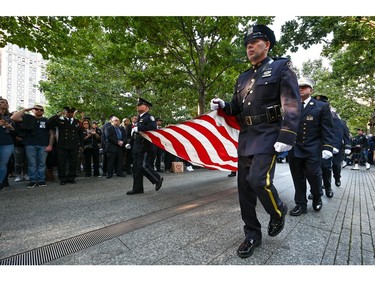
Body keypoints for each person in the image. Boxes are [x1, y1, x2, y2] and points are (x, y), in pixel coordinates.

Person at [210, 24, 301, 259]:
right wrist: (224, 105)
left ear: (267, 45)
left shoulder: (281, 67)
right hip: (248, 135)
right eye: (247, 44)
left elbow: (291, 102)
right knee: (245, 191)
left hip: (269, 133)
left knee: (259, 180)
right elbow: (237, 108)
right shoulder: (242, 78)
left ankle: (278, 211)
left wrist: (287, 134)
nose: (249, 46)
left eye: (255, 42)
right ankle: (252, 234)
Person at [288, 77, 334, 217]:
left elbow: (327, 129)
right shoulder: (291, 105)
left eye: (304, 86)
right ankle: (300, 204)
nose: (301, 89)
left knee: (314, 175)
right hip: (294, 148)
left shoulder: (321, 106)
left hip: (313, 148)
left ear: (311, 90)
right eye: (299, 86)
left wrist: (327, 147)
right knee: (298, 177)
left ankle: (317, 196)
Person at [11, 105, 54, 188]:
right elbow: (14, 118)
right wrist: (25, 109)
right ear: (33, 110)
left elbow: (52, 134)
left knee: (42, 163)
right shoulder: (28, 118)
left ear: (43, 112)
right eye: (36, 109)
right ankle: (33, 180)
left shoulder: (46, 120)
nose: (39, 111)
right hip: (30, 144)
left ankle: (41, 180)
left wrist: (50, 145)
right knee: (31, 163)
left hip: (43, 145)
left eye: (41, 110)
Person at [126, 98, 163, 195]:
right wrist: (131, 142)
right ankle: (137, 188)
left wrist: (139, 128)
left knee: (143, 166)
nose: (138, 106)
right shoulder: (138, 118)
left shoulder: (149, 117)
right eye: (138, 105)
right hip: (137, 146)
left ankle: (157, 179)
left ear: (147, 107)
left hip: (145, 145)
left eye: (140, 105)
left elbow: (153, 129)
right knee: (136, 169)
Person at [48, 106, 83, 185]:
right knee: (61, 163)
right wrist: (58, 115)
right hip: (62, 145)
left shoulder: (77, 122)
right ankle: (62, 178)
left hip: (74, 145)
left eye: (71, 112)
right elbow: (49, 123)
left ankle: (71, 178)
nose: (69, 113)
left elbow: (80, 134)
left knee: (73, 162)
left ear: (73, 113)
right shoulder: (60, 120)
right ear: (65, 112)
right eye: (68, 112)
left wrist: (81, 145)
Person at [0, 98, 15, 190]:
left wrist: (10, 127)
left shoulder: (10, 117)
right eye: (2, 102)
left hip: (7, 143)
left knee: (3, 164)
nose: (5, 104)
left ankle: (1, 183)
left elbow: (14, 132)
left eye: (6, 102)